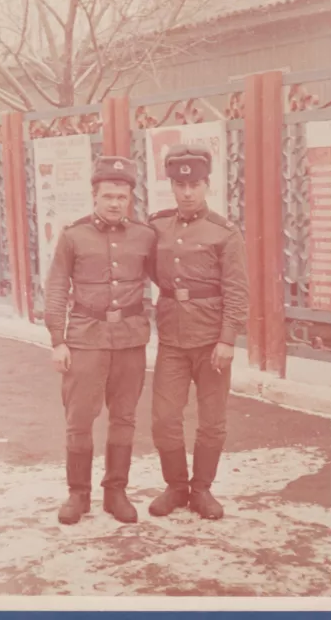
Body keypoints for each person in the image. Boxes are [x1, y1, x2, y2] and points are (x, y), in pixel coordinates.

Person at [44, 156, 156, 526]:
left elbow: (163, 278)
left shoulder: (144, 236)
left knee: (124, 418)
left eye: (121, 197)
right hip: (85, 339)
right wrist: (58, 340)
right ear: (94, 196)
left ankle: (116, 492)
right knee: (79, 420)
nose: (114, 203)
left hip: (129, 340)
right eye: (108, 196)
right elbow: (57, 288)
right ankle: (78, 494)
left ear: (130, 199)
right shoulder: (73, 236)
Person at [148, 144, 249, 520]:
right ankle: (176, 486)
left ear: (207, 185)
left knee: (212, 420)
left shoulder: (224, 232)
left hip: (211, 342)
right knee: (164, 418)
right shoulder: (156, 226)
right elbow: (151, 272)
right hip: (172, 340)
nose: (187, 192)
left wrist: (227, 339)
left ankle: (202, 489)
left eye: (194, 185)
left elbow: (237, 291)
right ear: (172, 187)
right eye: (179, 185)